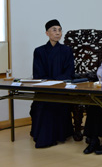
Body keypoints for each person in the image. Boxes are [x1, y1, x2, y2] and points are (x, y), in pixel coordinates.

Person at [30, 19, 74, 148]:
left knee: (55, 102)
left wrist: (56, 83)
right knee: (44, 103)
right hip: (44, 88)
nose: (58, 33)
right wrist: (48, 83)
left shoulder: (66, 50)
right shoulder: (39, 51)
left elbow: (69, 71)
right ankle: (44, 136)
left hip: (61, 88)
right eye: (54, 30)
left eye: (60, 30)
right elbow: (37, 73)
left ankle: (57, 135)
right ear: (47, 33)